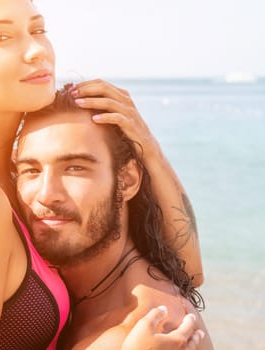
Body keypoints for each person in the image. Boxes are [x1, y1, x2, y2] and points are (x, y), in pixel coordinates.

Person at [0, 0, 204, 348]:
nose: (36, 50)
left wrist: (147, 146)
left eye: (38, 30)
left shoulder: (12, 177)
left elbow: (188, 271)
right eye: (2, 37)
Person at [14, 85, 213, 349]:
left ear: (128, 180)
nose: (46, 194)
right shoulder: (85, 291)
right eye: (31, 170)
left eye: (75, 168)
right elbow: (192, 273)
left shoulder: (148, 331)